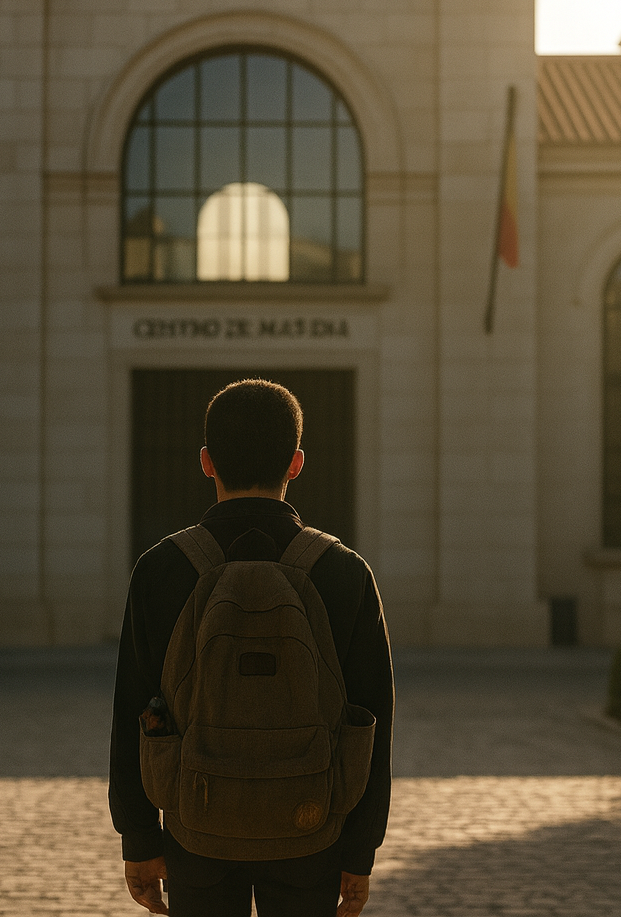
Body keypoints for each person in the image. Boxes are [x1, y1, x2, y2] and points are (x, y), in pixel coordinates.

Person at [109, 378, 394, 917]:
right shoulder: (343, 572)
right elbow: (373, 718)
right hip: (312, 827)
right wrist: (360, 851)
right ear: (296, 463)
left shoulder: (162, 569)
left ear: (206, 462)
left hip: (197, 827)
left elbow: (132, 709)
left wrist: (140, 840)